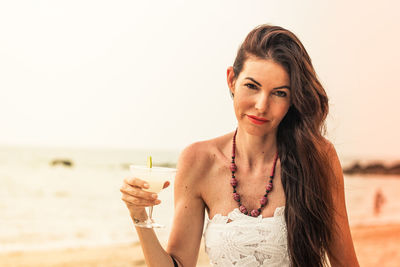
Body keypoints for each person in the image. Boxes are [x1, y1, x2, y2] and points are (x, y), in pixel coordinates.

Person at [120, 24, 359, 267]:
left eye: (279, 93)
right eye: (252, 86)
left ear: (293, 99)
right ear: (232, 80)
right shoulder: (197, 160)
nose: (261, 106)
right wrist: (139, 217)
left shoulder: (317, 157)